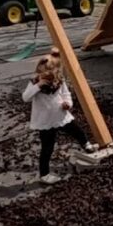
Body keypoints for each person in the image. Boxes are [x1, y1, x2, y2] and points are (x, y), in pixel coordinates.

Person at [21, 48, 95, 184]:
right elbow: (26, 98)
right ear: (39, 72)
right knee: (47, 148)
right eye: (43, 75)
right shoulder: (34, 83)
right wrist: (38, 85)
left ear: (56, 72)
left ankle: (87, 144)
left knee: (77, 130)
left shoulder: (59, 81)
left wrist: (68, 103)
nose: (46, 78)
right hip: (45, 121)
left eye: (49, 75)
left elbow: (66, 94)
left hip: (61, 115)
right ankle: (44, 174)